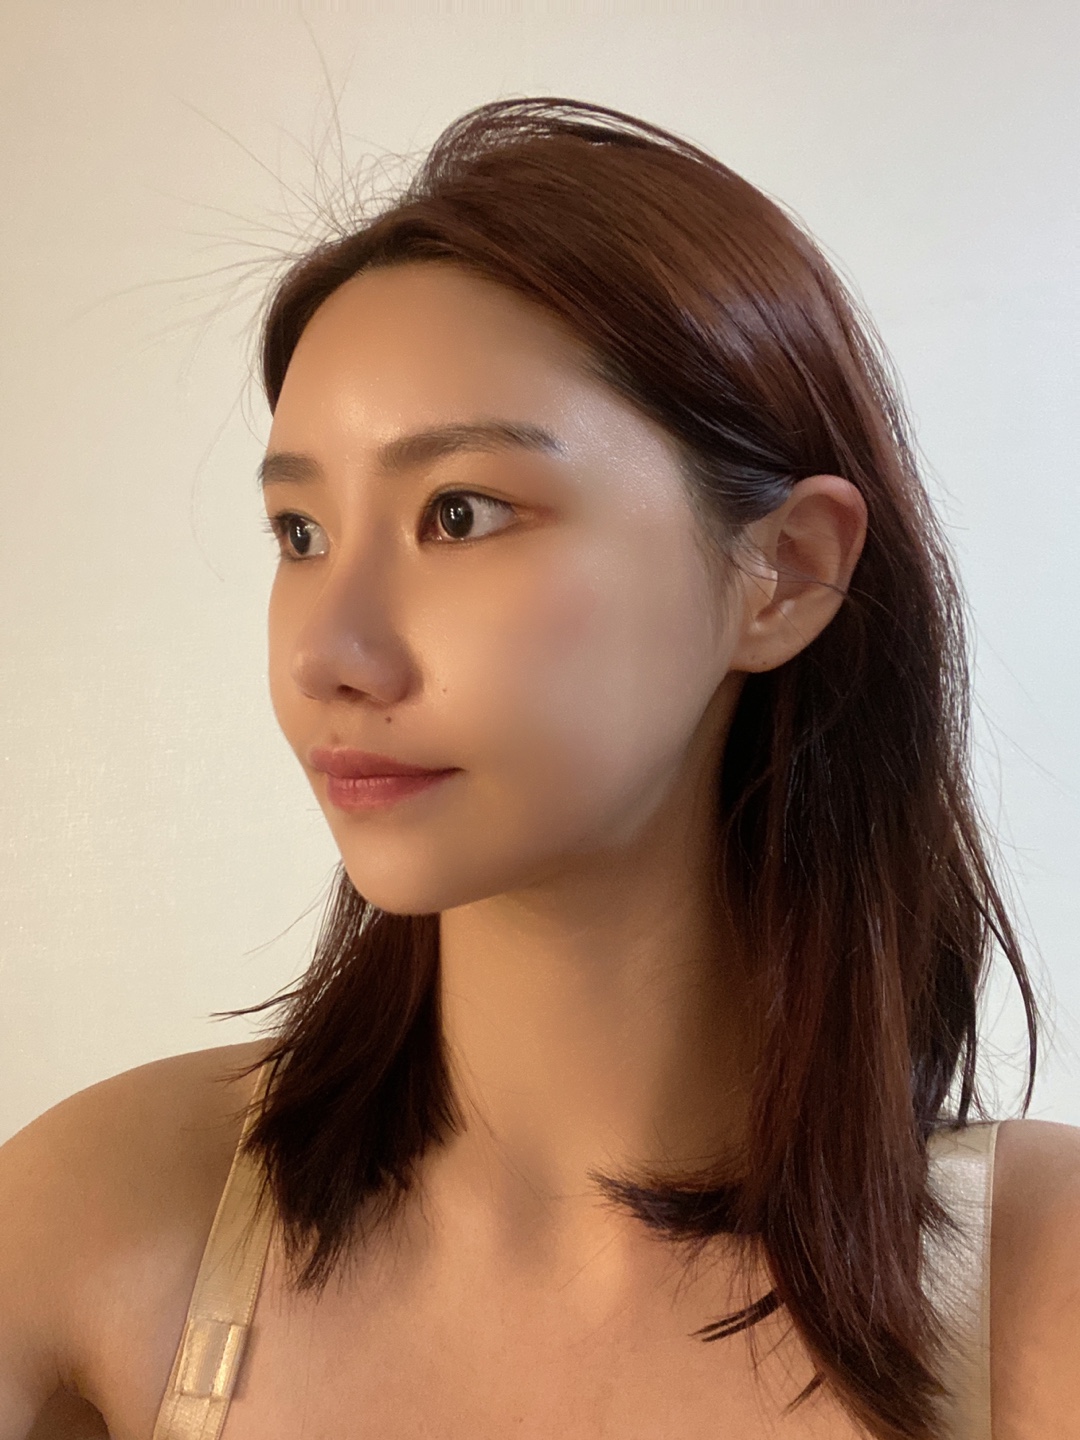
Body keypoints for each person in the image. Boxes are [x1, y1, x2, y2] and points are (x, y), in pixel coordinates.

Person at [2, 96, 1077, 1440]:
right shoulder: (96, 1227)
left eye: (459, 514)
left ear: (786, 572)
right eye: (300, 531)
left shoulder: (1043, 1294)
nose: (328, 653)